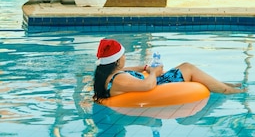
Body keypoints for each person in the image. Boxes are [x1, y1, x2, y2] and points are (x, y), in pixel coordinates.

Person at [93, 38, 245, 103]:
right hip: (157, 85)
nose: (125, 58)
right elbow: (148, 86)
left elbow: (127, 69)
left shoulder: (109, 74)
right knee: (188, 67)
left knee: (184, 67)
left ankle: (223, 84)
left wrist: (145, 67)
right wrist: (154, 73)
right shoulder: (119, 79)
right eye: (123, 55)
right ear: (118, 60)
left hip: (156, 80)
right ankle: (229, 90)